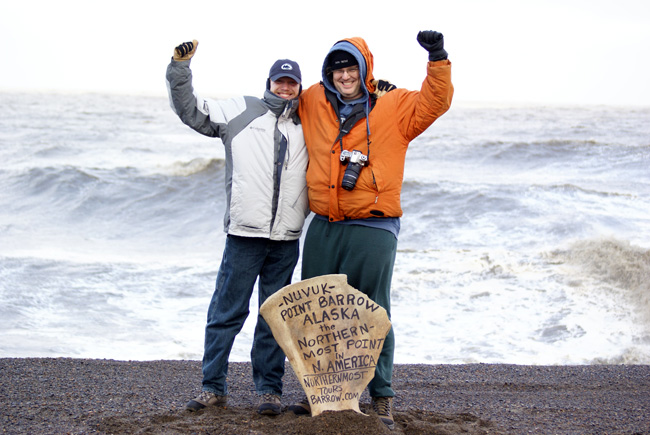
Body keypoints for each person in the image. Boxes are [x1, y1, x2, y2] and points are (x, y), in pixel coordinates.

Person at [289, 31, 454, 429]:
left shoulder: (394, 104)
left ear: (364, 69)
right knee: (317, 312)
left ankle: (382, 396)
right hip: (324, 225)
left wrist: (438, 57)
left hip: (373, 225)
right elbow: (281, 96)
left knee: (373, 311)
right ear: (327, 73)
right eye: (336, 68)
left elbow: (436, 102)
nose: (343, 75)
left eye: (350, 67)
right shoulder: (312, 100)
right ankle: (327, 395)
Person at [165, 40, 310, 416]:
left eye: (291, 83)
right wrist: (180, 66)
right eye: (279, 82)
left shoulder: (308, 122)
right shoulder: (241, 110)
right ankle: (213, 387)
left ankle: (269, 391)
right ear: (269, 83)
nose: (285, 88)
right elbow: (190, 110)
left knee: (274, 317)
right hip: (244, 235)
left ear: (299, 87)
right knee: (226, 313)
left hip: (285, 240)